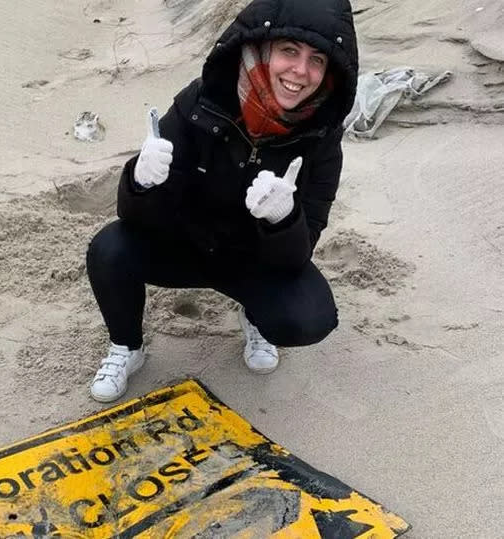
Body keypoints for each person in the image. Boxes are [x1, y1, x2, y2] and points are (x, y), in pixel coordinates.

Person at [85, 0, 359, 403]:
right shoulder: (200, 102)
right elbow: (139, 219)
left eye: (316, 59)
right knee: (109, 248)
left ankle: (255, 319)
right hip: (184, 246)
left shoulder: (322, 138)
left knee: (308, 318)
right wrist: (141, 182)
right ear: (262, 49)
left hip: (252, 261)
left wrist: (282, 220)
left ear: (330, 71)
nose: (301, 71)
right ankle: (128, 347)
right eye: (289, 51)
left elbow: (298, 253)